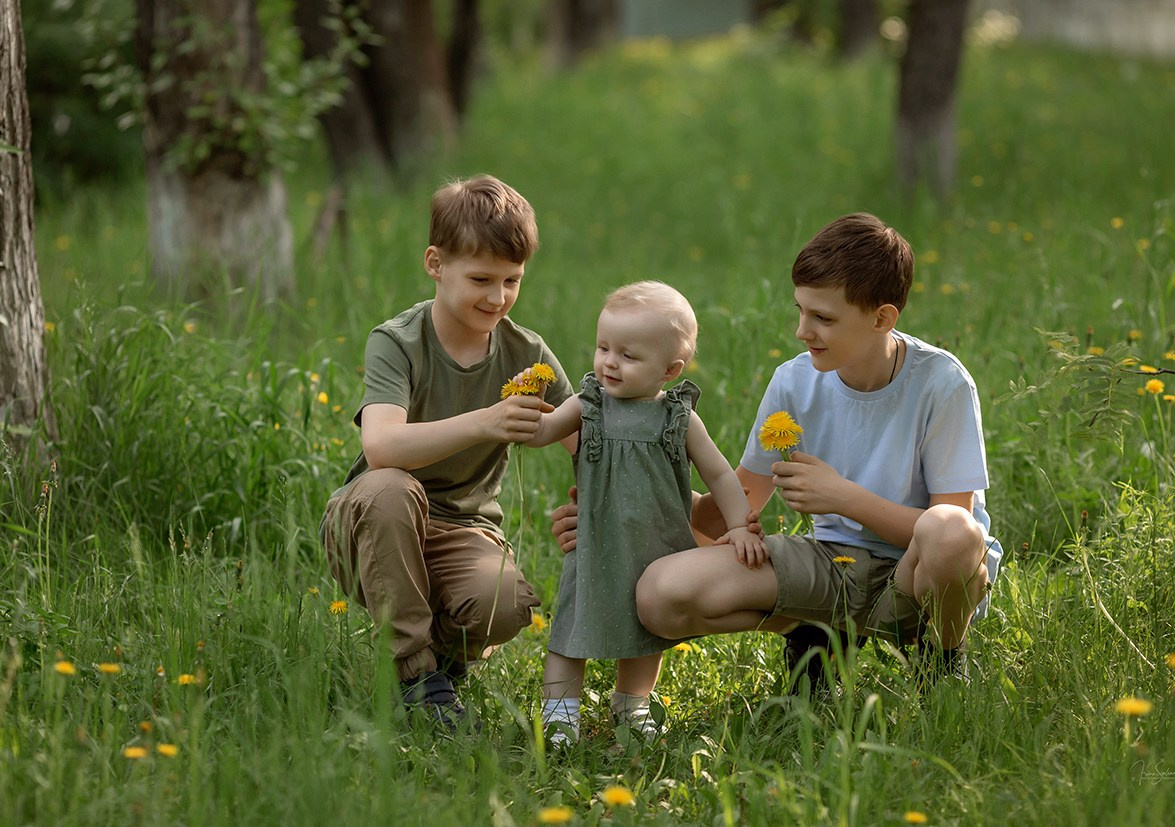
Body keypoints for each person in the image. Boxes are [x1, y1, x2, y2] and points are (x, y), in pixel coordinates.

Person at [552, 213, 1002, 695]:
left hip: (915, 577)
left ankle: (942, 660)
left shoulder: (941, 383)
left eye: (823, 318)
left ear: (882, 318)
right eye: (801, 311)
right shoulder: (794, 380)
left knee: (951, 532)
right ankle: (814, 632)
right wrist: (618, 514)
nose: (802, 331)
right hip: (830, 566)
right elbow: (735, 506)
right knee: (661, 594)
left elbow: (952, 531)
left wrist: (844, 497)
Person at [320, 174, 575, 732]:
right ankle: (415, 677)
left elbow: (583, 433)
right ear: (436, 264)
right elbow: (382, 446)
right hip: (372, 525)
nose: (497, 297)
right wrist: (486, 421)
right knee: (391, 487)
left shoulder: (524, 351)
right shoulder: (398, 341)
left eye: (512, 281)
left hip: (463, 530)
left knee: (507, 606)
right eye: (481, 278)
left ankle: (447, 662)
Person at [518, 281, 767, 746]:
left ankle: (631, 705)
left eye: (628, 356)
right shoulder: (589, 404)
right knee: (572, 627)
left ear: (670, 369)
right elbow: (546, 430)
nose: (610, 362)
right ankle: (558, 717)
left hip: (656, 545)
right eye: (603, 347)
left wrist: (739, 527)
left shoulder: (678, 418)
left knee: (643, 631)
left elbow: (719, 475)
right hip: (596, 541)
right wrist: (522, 416)